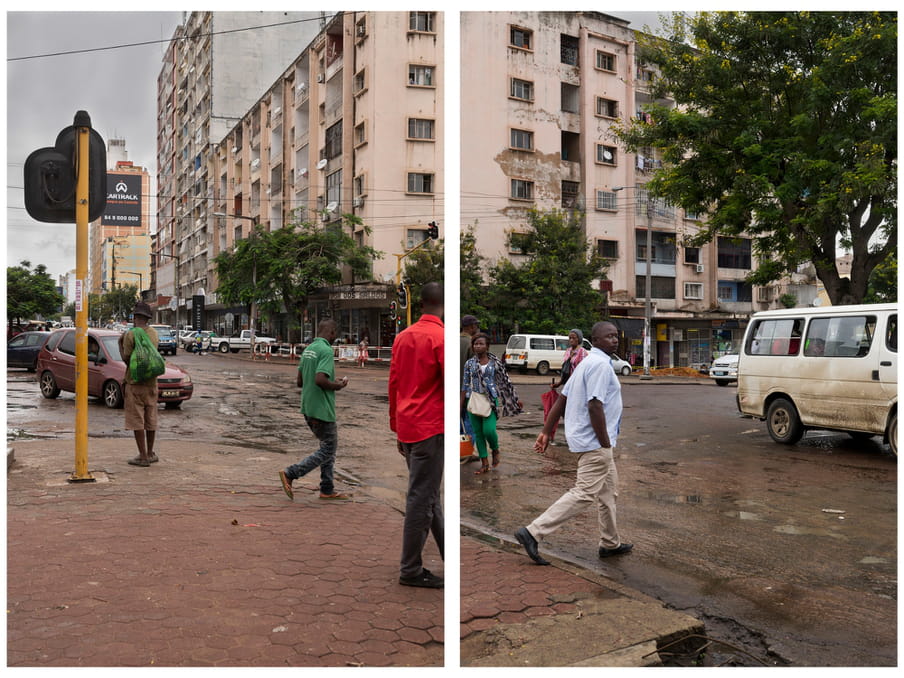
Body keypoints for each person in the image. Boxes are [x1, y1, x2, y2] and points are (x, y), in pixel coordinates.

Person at [515, 321, 633, 566]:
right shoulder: (599, 364)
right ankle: (533, 532)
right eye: (609, 336)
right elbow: (595, 405)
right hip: (596, 443)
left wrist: (546, 432)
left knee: (609, 493)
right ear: (596, 340)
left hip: (596, 443)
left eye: (616, 336)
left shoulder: (587, 362)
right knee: (584, 493)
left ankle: (609, 543)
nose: (615, 340)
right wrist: (603, 442)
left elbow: (562, 398)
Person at [389, 282, 445, 588]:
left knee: (428, 495)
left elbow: (394, 384)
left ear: (421, 303)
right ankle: (410, 569)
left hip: (410, 427)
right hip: (431, 429)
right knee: (421, 499)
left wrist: (396, 425)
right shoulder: (441, 338)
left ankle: (449, 555)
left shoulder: (403, 338)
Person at [278, 318, 351, 501]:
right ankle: (291, 473)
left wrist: (329, 381)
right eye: (336, 335)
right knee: (328, 449)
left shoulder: (309, 349)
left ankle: (327, 488)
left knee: (327, 447)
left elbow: (300, 381)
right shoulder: (326, 350)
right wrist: (338, 385)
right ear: (332, 333)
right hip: (322, 409)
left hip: (308, 407)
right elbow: (320, 380)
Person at [461, 333, 522, 474]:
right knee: (478, 433)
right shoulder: (469, 364)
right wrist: (460, 404)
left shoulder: (495, 363)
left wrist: (515, 399)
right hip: (473, 400)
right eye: (476, 344)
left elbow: (505, 383)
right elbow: (465, 384)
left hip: (490, 402)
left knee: (488, 431)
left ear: (487, 346)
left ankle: (495, 449)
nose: (478, 346)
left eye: (481, 343)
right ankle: (484, 463)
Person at [118, 302, 160, 467]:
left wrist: (119, 345)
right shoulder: (154, 333)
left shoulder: (131, 334)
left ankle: (142, 456)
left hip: (135, 383)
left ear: (135, 318)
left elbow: (127, 358)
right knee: (150, 418)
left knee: (137, 420)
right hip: (151, 383)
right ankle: (150, 453)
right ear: (148, 318)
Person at [545, 329, 589, 443]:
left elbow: (584, 371)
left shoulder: (583, 352)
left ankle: (578, 435)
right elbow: (565, 370)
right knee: (563, 410)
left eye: (574, 337)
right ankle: (555, 434)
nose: (571, 340)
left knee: (575, 412)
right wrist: (558, 384)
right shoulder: (568, 351)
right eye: (570, 338)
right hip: (567, 386)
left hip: (578, 387)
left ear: (579, 339)